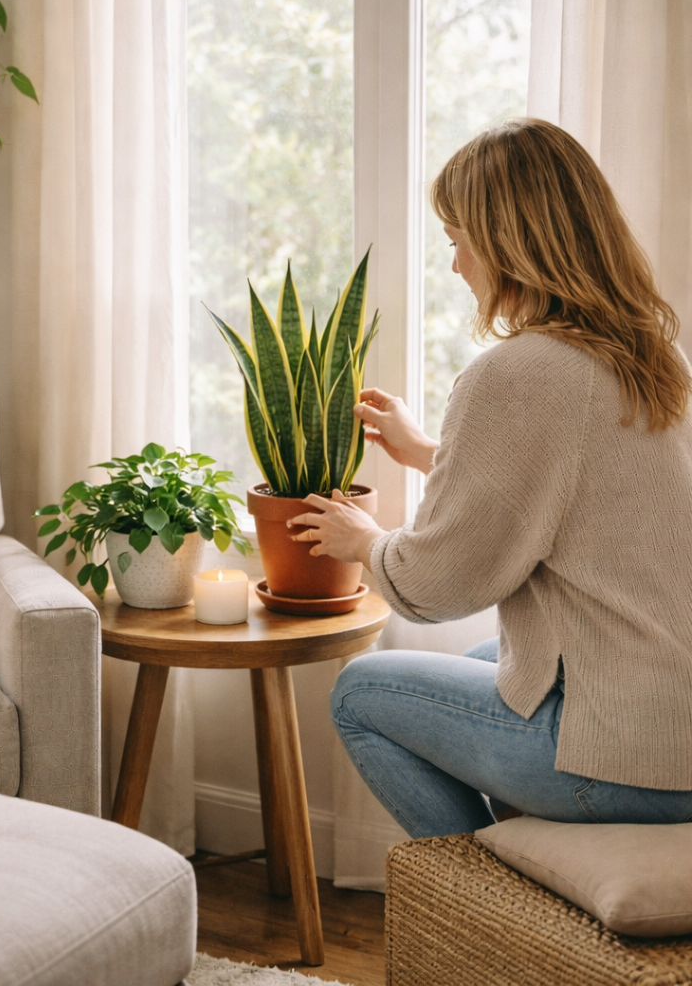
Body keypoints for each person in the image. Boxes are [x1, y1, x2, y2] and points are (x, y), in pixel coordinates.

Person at [288, 118, 692, 838]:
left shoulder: (515, 374)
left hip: (626, 765)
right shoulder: (655, 354)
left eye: (458, 242)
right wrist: (426, 452)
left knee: (359, 691)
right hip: (675, 730)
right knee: (490, 658)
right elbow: (570, 490)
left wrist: (363, 540)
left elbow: (435, 590)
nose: (456, 268)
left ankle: (477, 889)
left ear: (508, 245)